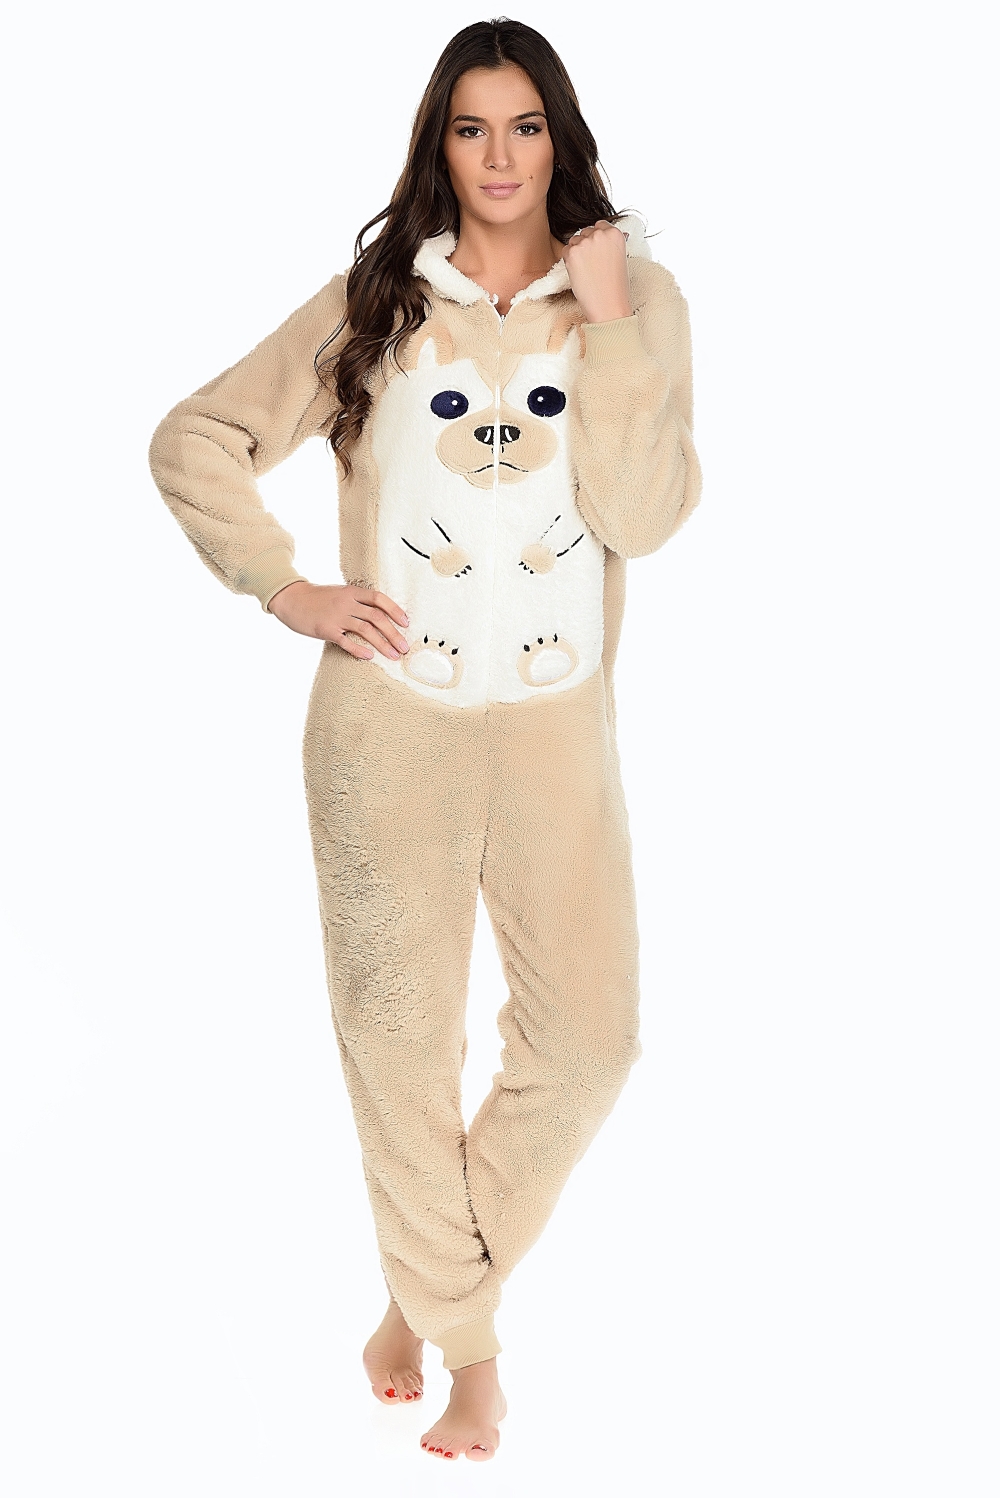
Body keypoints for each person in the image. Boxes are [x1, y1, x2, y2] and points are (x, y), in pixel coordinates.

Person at [148, 16, 701, 1463]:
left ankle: (417, 1298)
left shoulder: (636, 299)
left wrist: (614, 322)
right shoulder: (379, 301)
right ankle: (474, 1356)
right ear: (437, 144)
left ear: (560, 138)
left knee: (591, 1041)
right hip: (384, 728)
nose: (499, 157)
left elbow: (642, 514)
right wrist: (285, 587)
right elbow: (196, 437)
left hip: (557, 729)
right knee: (398, 1045)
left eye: (525, 126)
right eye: (471, 127)